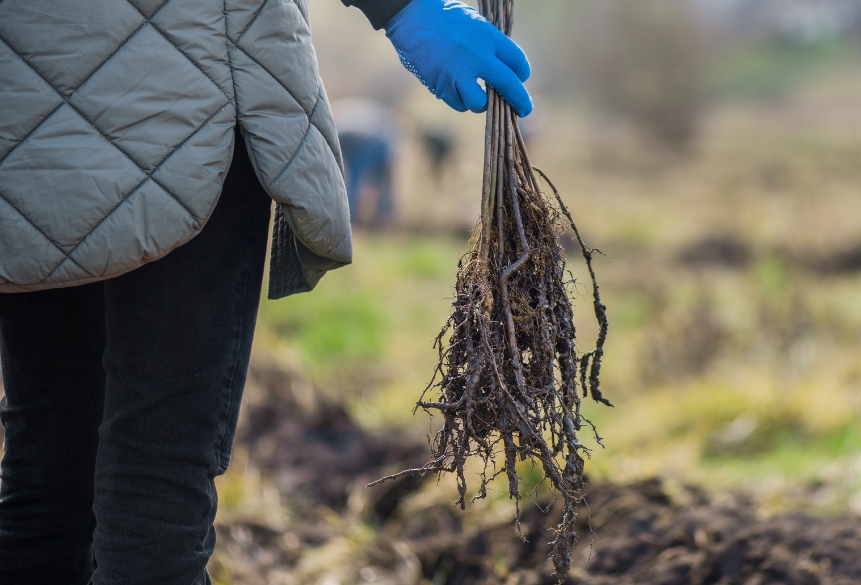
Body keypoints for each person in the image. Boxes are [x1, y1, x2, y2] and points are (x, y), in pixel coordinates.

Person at [0, 0, 532, 583]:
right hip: (186, 99)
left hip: (22, 120)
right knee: (154, 490)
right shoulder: (375, 134)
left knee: (46, 465)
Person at [333, 99, 399, 227]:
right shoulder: (347, 122)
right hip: (382, 145)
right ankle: (383, 218)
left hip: (369, 147)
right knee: (382, 184)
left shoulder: (337, 128)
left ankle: (351, 220)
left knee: (353, 181)